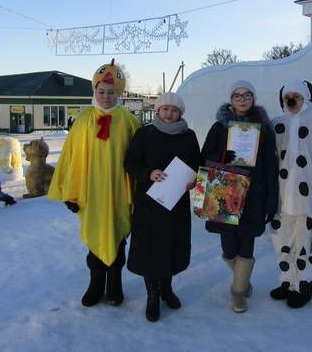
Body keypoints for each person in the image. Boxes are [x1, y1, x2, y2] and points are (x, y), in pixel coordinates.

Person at [48, 59, 139, 308]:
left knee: (118, 239)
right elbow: (71, 157)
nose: (106, 97)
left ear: (119, 93)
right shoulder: (84, 118)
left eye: (111, 92)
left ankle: (115, 285)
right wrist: (70, 192)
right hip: (91, 193)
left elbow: (140, 156)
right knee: (94, 240)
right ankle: (96, 284)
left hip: (119, 193)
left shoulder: (128, 120)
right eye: (101, 92)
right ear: (94, 91)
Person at [201, 80, 279, 313]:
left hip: (255, 194)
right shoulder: (219, 127)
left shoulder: (263, 128)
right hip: (225, 191)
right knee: (228, 248)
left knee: (247, 244)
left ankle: (238, 292)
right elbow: (204, 157)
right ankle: (243, 280)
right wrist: (222, 156)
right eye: (237, 95)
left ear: (253, 98)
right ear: (231, 99)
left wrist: (271, 198)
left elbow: (270, 165)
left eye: (247, 95)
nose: (242, 98)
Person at [124, 92, 200, 322]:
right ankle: (152, 295)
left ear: (180, 113)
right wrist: (148, 173)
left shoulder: (189, 135)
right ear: (157, 111)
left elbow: (196, 163)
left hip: (176, 203)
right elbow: (130, 162)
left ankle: (167, 289)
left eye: (174, 110)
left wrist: (194, 180)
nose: (169, 114)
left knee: (172, 246)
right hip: (149, 203)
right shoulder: (144, 134)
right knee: (149, 248)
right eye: (165, 109)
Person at [269, 79, 312, 308]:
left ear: (305, 99)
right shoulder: (276, 124)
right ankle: (288, 282)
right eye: (286, 96)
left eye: (296, 96)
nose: (290, 100)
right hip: (280, 200)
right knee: (283, 243)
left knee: (308, 245)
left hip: (309, 200)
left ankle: (305, 285)